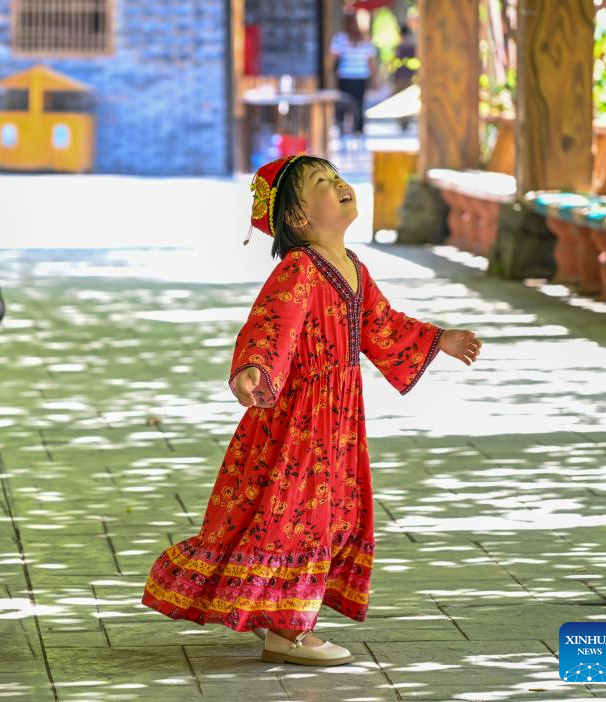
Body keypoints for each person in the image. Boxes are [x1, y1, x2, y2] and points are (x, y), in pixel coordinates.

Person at [141, 155, 482, 666]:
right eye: (322, 182)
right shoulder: (299, 270)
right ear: (298, 219)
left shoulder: (353, 269)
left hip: (337, 421)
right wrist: (255, 369)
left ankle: (287, 620)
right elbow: (271, 325)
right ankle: (286, 631)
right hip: (300, 420)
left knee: (329, 515)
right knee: (298, 516)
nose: (339, 183)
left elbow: (382, 326)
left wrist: (439, 339)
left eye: (337, 175)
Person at [330, 12, 378, 137]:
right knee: (359, 102)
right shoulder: (364, 39)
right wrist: (374, 78)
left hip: (346, 76)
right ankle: (358, 128)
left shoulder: (340, 38)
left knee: (343, 103)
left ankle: (343, 126)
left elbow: (333, 58)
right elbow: (370, 61)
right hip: (360, 76)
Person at [392, 24, 417, 131]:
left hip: (401, 77)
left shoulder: (400, 46)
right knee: (407, 99)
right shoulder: (412, 46)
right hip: (410, 77)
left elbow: (394, 61)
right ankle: (405, 121)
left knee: (401, 99)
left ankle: (403, 121)